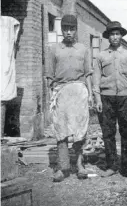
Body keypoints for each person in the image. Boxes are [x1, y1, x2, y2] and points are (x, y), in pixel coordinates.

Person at [93, 21, 127, 180]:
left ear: (121, 36)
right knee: (108, 132)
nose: (115, 37)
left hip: (125, 98)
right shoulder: (101, 56)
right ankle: (112, 165)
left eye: (117, 34)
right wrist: (97, 99)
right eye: (112, 34)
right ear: (108, 37)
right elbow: (96, 78)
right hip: (106, 98)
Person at [47, 14, 93, 182]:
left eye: (71, 29)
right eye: (65, 29)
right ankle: (63, 168)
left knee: (80, 130)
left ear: (76, 30)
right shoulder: (54, 49)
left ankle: (80, 165)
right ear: (62, 30)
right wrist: (51, 98)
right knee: (61, 130)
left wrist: (90, 95)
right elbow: (49, 76)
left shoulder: (83, 49)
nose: (68, 32)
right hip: (61, 91)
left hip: (79, 91)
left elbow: (88, 73)